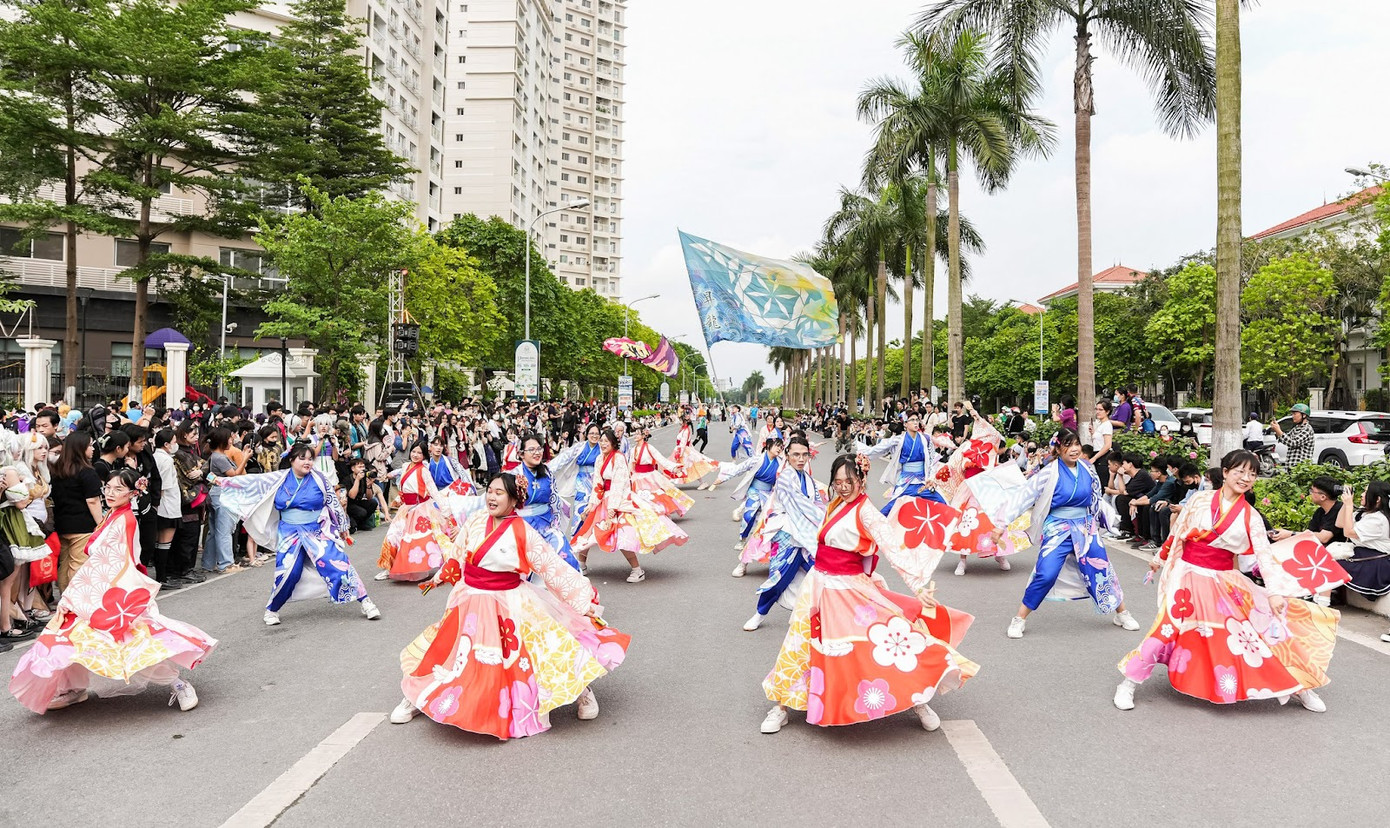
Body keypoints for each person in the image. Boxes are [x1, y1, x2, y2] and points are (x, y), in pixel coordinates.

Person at [390, 473, 629, 736]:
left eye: (499, 493)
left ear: (514, 500)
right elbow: (457, 554)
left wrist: (582, 602)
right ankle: (419, 695)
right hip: (470, 597)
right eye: (490, 491)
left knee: (547, 646)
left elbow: (552, 568)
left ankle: (582, 691)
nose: (491, 497)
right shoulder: (476, 520)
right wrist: (439, 577)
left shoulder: (524, 532)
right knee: (448, 648)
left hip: (510, 599)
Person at [759, 454, 978, 735]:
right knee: (799, 644)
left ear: (861, 481)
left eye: (849, 481)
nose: (843, 487)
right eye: (838, 482)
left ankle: (918, 700)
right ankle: (782, 707)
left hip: (848, 589)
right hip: (818, 584)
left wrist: (918, 587)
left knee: (880, 643)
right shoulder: (835, 504)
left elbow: (893, 548)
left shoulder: (866, 512)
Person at [1115, 450, 1340, 712]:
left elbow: (1264, 556)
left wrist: (1274, 592)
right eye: (1240, 471)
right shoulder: (1199, 500)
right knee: (1165, 629)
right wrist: (1160, 558)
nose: (1246, 478)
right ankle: (1129, 683)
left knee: (1258, 629)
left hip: (1223, 580)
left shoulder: (1251, 516)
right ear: (1225, 472)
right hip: (1187, 577)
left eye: (1252, 474)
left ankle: (1299, 685)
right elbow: (1178, 532)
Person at [10, 469, 215, 713]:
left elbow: (113, 562)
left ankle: (178, 684)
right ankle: (74, 688)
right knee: (74, 639)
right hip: (99, 588)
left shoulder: (125, 519)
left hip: (115, 591)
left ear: (133, 493)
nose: (110, 493)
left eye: (118, 489)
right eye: (108, 487)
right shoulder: (114, 514)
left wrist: (79, 593)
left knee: (133, 643)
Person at [989, 429, 1142, 639]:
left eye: (1077, 444)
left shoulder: (1088, 469)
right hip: (1058, 528)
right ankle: (1019, 618)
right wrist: (1001, 524)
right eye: (1068, 445)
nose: (1074, 449)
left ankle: (1122, 613)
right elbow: (1024, 496)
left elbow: (1096, 497)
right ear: (1058, 448)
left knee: (1101, 569)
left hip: (1085, 527)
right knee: (1046, 573)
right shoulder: (1049, 472)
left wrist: (1105, 520)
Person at [211, 443, 381, 626]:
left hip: (317, 530)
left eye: (310, 459)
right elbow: (251, 482)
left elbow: (333, 502)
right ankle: (272, 609)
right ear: (291, 460)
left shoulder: (320, 479)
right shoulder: (278, 478)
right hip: (289, 532)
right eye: (302, 458)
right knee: (289, 572)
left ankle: (365, 601)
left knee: (337, 564)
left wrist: (342, 526)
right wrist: (221, 481)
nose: (307, 462)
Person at [571, 428, 687, 583]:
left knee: (623, 535)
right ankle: (581, 565)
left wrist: (612, 509)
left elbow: (619, 484)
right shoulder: (600, 458)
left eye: (606, 441)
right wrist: (592, 503)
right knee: (589, 531)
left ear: (613, 443)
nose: (603, 444)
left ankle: (637, 570)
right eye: (601, 441)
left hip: (620, 500)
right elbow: (597, 483)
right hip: (604, 499)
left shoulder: (618, 458)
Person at [741, 436, 827, 631]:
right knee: (779, 577)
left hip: (807, 533)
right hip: (788, 534)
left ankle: (825, 615)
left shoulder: (807, 478)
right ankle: (759, 614)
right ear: (787, 455)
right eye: (796, 454)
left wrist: (826, 518)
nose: (801, 459)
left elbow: (817, 503)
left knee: (824, 573)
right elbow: (803, 506)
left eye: (804, 454)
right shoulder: (786, 478)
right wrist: (825, 523)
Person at [375, 440, 458, 582]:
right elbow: (404, 486)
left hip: (420, 509)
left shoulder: (424, 471)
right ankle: (388, 568)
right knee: (393, 536)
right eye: (413, 451)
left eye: (419, 453)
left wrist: (446, 512)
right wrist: (399, 498)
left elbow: (433, 491)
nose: (415, 455)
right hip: (405, 508)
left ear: (424, 455)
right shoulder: (405, 466)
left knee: (424, 539)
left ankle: (449, 562)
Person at [514, 433, 580, 570]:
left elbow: (554, 501)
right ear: (521, 454)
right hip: (522, 527)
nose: (537, 452)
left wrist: (555, 525)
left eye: (539, 449)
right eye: (531, 450)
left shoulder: (547, 473)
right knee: (527, 568)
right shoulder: (512, 476)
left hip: (547, 524)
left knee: (567, 559)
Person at [715, 438, 783, 569]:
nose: (779, 449)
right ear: (768, 446)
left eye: (781, 446)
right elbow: (739, 469)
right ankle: (742, 538)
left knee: (764, 521)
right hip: (754, 491)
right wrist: (723, 478)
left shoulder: (781, 463)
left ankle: (761, 545)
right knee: (748, 515)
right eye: (777, 446)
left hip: (769, 494)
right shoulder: (757, 459)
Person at [50, 431, 103, 592]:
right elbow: (92, 500)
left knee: (64, 563)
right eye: (90, 445)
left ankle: (64, 595)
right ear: (80, 448)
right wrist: (101, 523)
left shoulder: (57, 470)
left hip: (61, 523)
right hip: (82, 525)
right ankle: (74, 597)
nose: (93, 448)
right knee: (78, 564)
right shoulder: (87, 472)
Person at [1334, 480, 1390, 620]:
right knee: (1328, 561)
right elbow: (1340, 523)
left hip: (1376, 563)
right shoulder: (1365, 513)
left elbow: (1348, 532)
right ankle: (1322, 599)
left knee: (1331, 565)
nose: (1362, 495)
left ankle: (1322, 603)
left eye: (1366, 492)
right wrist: (1346, 504)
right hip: (1363, 556)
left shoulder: (1378, 520)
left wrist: (1349, 505)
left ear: (1377, 499)